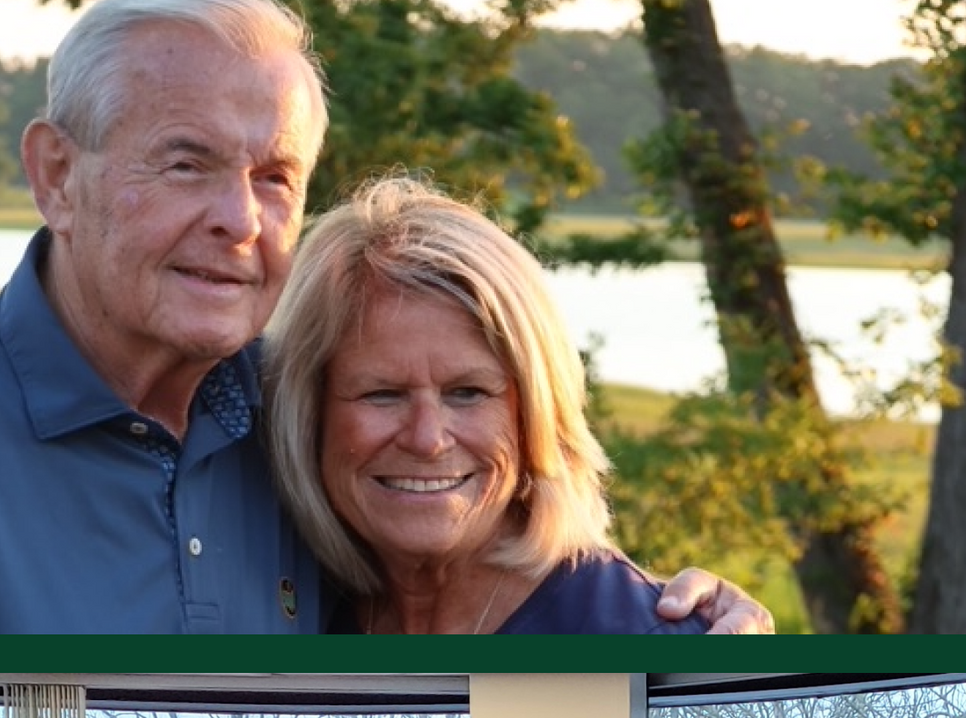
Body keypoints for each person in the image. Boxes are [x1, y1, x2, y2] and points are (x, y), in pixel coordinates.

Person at [0, 0, 765, 636]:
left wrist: (701, 639)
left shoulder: (308, 424)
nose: (239, 221)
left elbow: (491, 540)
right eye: (187, 163)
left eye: (275, 176)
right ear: (57, 175)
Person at [265, 178, 723, 634]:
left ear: (537, 416)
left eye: (468, 392)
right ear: (310, 417)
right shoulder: (284, 605)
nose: (428, 439)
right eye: (382, 394)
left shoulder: (648, 643)